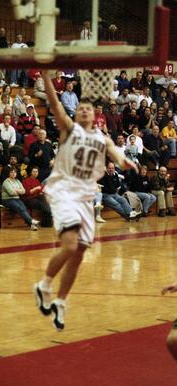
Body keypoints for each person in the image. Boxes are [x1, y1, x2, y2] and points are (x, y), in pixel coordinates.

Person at [33, 70, 138, 331]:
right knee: (69, 247)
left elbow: (114, 152)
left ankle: (61, 301)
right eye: (79, 108)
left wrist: (125, 161)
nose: (83, 111)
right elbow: (56, 105)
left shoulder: (102, 138)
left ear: (95, 115)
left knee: (78, 253)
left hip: (84, 197)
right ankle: (44, 285)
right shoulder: (69, 130)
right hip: (63, 191)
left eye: (87, 109)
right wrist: (46, 78)